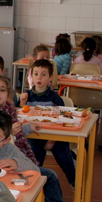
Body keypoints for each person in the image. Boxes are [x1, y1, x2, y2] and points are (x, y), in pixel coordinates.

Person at [25, 59, 77, 188]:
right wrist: (21, 103)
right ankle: (35, 181)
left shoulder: (55, 98)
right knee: (34, 153)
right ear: (31, 76)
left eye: (43, 74)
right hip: (35, 135)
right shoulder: (26, 96)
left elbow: (63, 120)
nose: (39, 78)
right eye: (36, 74)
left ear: (50, 77)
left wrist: (52, 140)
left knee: (62, 154)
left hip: (55, 136)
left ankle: (74, 181)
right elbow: (21, 117)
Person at [0, 75, 39, 165]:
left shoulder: (9, 111)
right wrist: (10, 134)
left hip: (14, 156)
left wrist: (28, 127)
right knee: (50, 175)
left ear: (8, 95)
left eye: (2, 90)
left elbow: (17, 133)